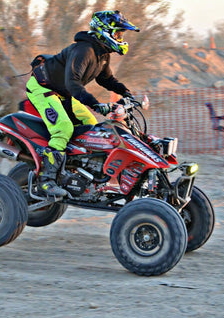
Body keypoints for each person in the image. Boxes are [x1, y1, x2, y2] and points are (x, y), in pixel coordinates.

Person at [26, 10, 139, 197]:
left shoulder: (102, 53)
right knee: (63, 127)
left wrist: (127, 93)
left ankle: (75, 172)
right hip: (43, 88)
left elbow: (107, 80)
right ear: (105, 31)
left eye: (121, 34)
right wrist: (96, 104)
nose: (120, 37)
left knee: (92, 126)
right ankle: (46, 181)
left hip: (64, 93)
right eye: (118, 33)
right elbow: (73, 83)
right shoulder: (84, 50)